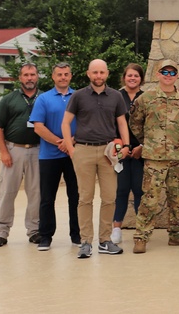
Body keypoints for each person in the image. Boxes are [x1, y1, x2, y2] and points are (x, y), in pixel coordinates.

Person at [61, 59, 130, 258]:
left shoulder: (116, 96)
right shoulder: (78, 96)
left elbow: (122, 123)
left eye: (101, 72)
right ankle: (85, 242)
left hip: (109, 152)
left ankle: (105, 240)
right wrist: (71, 149)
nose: (98, 76)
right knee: (85, 198)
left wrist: (125, 146)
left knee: (109, 198)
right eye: (95, 72)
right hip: (83, 151)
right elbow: (66, 123)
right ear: (88, 74)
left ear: (107, 74)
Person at [128, 60, 179, 253]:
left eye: (172, 72)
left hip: (178, 158)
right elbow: (135, 123)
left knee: (177, 199)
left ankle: (176, 235)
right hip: (154, 159)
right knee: (150, 199)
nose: (168, 75)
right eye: (164, 72)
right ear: (157, 74)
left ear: (177, 75)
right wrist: (149, 141)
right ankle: (141, 236)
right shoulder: (146, 98)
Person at [0, 63, 41, 248]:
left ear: (37, 76)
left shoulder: (43, 98)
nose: (29, 78)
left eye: (32, 74)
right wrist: (4, 152)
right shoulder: (9, 100)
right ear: (20, 78)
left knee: (36, 193)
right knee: (7, 193)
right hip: (14, 150)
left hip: (37, 150)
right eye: (26, 75)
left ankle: (35, 230)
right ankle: (1, 232)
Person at [30, 63, 80, 251]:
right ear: (53, 77)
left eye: (66, 74)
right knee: (47, 198)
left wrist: (70, 143)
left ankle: (77, 235)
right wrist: (62, 142)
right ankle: (45, 237)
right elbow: (38, 127)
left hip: (74, 155)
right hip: (49, 156)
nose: (63, 77)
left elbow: (85, 123)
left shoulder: (78, 96)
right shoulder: (43, 99)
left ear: (70, 76)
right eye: (59, 74)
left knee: (75, 196)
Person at [111, 63, 145, 245]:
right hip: (120, 151)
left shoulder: (146, 97)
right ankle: (116, 228)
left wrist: (142, 147)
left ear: (141, 78)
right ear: (124, 77)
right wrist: (120, 148)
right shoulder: (115, 96)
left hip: (141, 151)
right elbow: (110, 124)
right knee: (121, 190)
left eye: (136, 76)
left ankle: (141, 229)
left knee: (140, 190)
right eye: (129, 75)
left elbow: (151, 126)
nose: (132, 79)